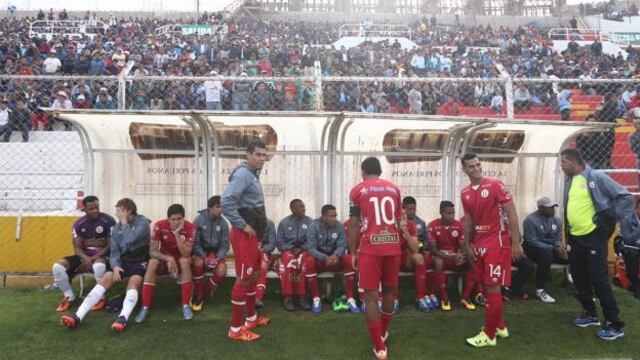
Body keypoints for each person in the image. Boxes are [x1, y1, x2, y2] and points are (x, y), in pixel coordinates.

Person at [560, 148, 632, 340]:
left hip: (594, 238)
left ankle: (615, 324)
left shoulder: (595, 177)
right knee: (578, 276)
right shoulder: (571, 180)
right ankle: (590, 313)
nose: (562, 166)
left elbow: (625, 196)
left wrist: (609, 218)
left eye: (563, 162)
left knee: (599, 279)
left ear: (574, 162)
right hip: (575, 238)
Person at [460, 153, 524, 348]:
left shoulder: (495, 185)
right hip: (479, 244)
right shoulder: (465, 193)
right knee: (486, 288)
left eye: (478, 164)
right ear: (465, 170)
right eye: (471, 166)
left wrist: (515, 242)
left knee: (493, 287)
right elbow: (469, 219)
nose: (477, 168)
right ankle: (500, 326)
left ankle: (489, 335)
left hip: (497, 243)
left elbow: (511, 211)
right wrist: (468, 243)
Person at [61, 198, 150, 332]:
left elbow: (130, 239)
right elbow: (114, 252)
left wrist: (124, 222)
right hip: (123, 262)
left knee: (134, 282)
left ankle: (122, 319)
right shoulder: (116, 228)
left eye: (119, 211)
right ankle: (77, 316)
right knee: (105, 279)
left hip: (139, 260)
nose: (117, 215)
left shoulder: (142, 222)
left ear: (128, 211)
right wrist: (115, 267)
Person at [347, 157, 403, 360]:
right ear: (379, 171)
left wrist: (353, 252)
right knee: (389, 293)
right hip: (393, 246)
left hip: (371, 249)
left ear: (363, 171)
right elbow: (398, 219)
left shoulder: (358, 190)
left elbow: (353, 224)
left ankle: (379, 346)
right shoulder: (394, 189)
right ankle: (382, 333)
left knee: (370, 297)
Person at [221, 140, 271, 341]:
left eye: (264, 155)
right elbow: (226, 202)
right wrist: (242, 225)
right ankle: (235, 329)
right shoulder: (243, 174)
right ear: (248, 154)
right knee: (243, 278)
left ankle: (251, 318)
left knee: (253, 275)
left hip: (253, 236)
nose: (262, 159)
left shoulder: (251, 174)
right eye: (258, 154)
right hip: (244, 235)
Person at [52, 196, 115, 312]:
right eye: (91, 208)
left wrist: (92, 259)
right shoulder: (79, 224)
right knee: (58, 267)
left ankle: (101, 298)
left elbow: (111, 245)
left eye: (97, 207)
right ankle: (69, 297)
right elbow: (77, 247)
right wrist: (86, 259)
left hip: (103, 256)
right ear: (84, 209)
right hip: (84, 257)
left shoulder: (108, 220)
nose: (95, 210)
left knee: (98, 266)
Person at [135, 204, 196, 323]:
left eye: (179, 219)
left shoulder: (190, 227)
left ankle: (185, 305)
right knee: (152, 262)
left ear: (183, 218)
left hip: (181, 261)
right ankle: (145, 307)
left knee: (184, 261)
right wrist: (168, 258)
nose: (176, 222)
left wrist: (177, 234)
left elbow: (186, 253)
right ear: (168, 219)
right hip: (165, 262)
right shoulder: (159, 225)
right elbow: (152, 251)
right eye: (173, 219)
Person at [303, 204, 358, 314]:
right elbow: (310, 248)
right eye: (331, 216)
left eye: (335, 216)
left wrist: (336, 255)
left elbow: (342, 245)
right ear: (323, 216)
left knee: (348, 259)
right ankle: (316, 299)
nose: (334, 219)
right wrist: (324, 257)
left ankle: (350, 298)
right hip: (320, 261)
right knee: (308, 261)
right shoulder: (313, 226)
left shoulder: (339, 226)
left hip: (334, 261)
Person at [428, 201, 479, 311]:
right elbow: (433, 250)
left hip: (454, 258)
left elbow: (463, 246)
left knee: (472, 260)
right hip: (441, 257)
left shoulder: (458, 225)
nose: (451, 215)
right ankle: (444, 297)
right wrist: (451, 257)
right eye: (448, 213)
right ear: (441, 212)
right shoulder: (432, 225)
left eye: (453, 213)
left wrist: (461, 255)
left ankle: (466, 297)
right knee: (438, 262)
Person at [522, 197, 569, 303]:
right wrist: (553, 248)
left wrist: (559, 248)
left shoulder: (556, 220)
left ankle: (581, 287)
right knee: (546, 255)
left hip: (551, 248)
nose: (553, 210)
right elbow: (531, 241)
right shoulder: (530, 220)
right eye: (550, 208)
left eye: (553, 207)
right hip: (531, 249)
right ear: (541, 208)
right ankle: (540, 290)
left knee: (573, 255)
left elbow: (558, 238)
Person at [190, 195, 230, 311]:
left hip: (216, 254)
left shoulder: (223, 223)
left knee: (222, 270)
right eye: (217, 207)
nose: (221, 209)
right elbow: (195, 242)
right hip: (201, 252)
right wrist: (204, 256)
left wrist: (218, 257)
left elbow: (225, 244)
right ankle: (199, 294)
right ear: (209, 208)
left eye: (221, 206)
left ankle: (202, 293)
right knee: (197, 263)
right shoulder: (198, 220)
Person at [276, 199, 313, 311]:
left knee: (302, 264)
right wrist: (291, 248)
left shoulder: (310, 222)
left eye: (304, 206)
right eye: (300, 207)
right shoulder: (284, 223)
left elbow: (312, 241)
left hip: (303, 250)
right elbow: (279, 243)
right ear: (292, 209)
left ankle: (301, 296)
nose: (304, 209)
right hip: (288, 251)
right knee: (291, 263)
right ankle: (288, 297)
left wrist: (301, 248)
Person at [619, 199, 640, 300]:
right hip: (631, 249)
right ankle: (636, 290)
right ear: (636, 208)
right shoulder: (626, 219)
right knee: (632, 252)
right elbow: (628, 239)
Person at [255, 219, 277, 308]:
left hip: (264, 253)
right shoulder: (246, 225)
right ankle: (249, 299)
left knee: (263, 266)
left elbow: (272, 244)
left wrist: (263, 249)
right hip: (250, 253)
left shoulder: (269, 223)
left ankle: (258, 298)